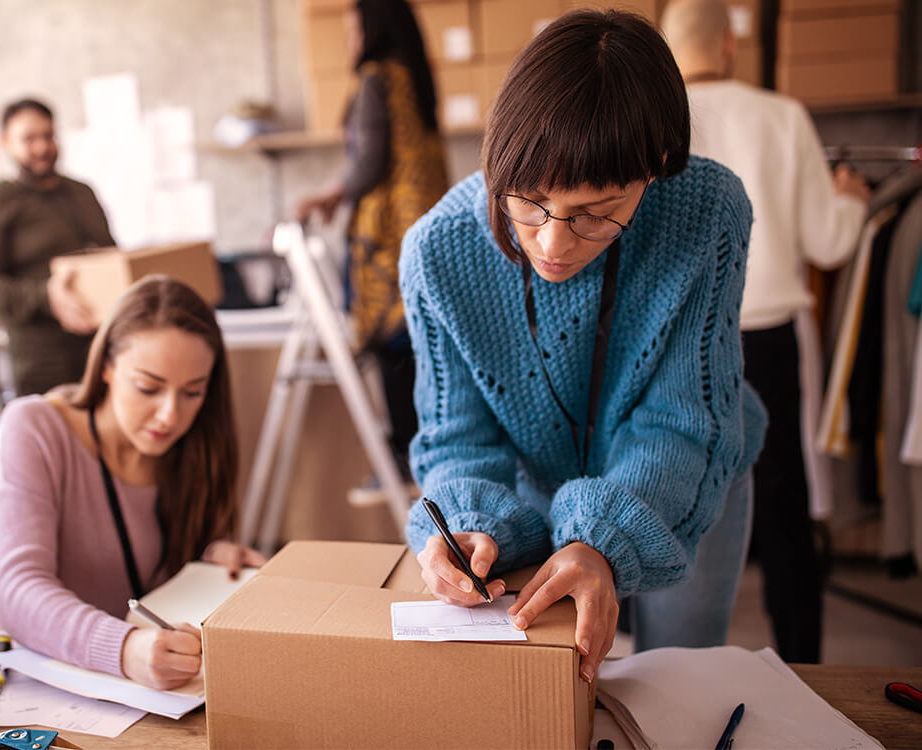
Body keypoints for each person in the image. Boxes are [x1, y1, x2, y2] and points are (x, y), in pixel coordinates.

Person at [404, 9, 768, 684]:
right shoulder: (437, 251)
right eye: (530, 201)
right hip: (542, 484)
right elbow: (456, 438)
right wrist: (466, 522)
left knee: (684, 680)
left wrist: (599, 542)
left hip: (690, 473)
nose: (552, 241)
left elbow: (682, 423)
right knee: (557, 687)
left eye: (595, 213)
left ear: (656, 168)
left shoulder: (708, 213)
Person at [661, 0, 870, 664]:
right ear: (728, 45)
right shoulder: (781, 116)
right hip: (768, 336)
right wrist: (853, 204)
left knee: (668, 501)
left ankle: (662, 673)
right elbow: (828, 243)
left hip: (677, 342)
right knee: (786, 514)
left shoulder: (655, 123)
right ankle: (803, 668)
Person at [0, 275, 266, 689]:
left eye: (192, 393)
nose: (170, 416)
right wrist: (124, 649)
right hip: (63, 688)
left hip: (164, 690)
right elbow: (17, 590)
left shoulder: (197, 444)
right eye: (148, 387)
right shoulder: (33, 428)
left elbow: (163, 574)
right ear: (107, 368)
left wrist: (211, 556)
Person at [296, 0, 449, 477]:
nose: (349, 40)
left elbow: (367, 163)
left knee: (390, 340)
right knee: (421, 341)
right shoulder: (416, 78)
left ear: (373, 26)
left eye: (353, 28)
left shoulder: (375, 79)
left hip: (387, 234)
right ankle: (428, 449)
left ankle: (405, 453)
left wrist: (323, 196)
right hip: (426, 224)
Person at [0, 98, 116, 397]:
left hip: (98, 349)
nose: (42, 147)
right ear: (5, 141)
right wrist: (47, 297)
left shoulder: (82, 193)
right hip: (35, 362)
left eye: (48, 135)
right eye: (29, 138)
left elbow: (110, 254)